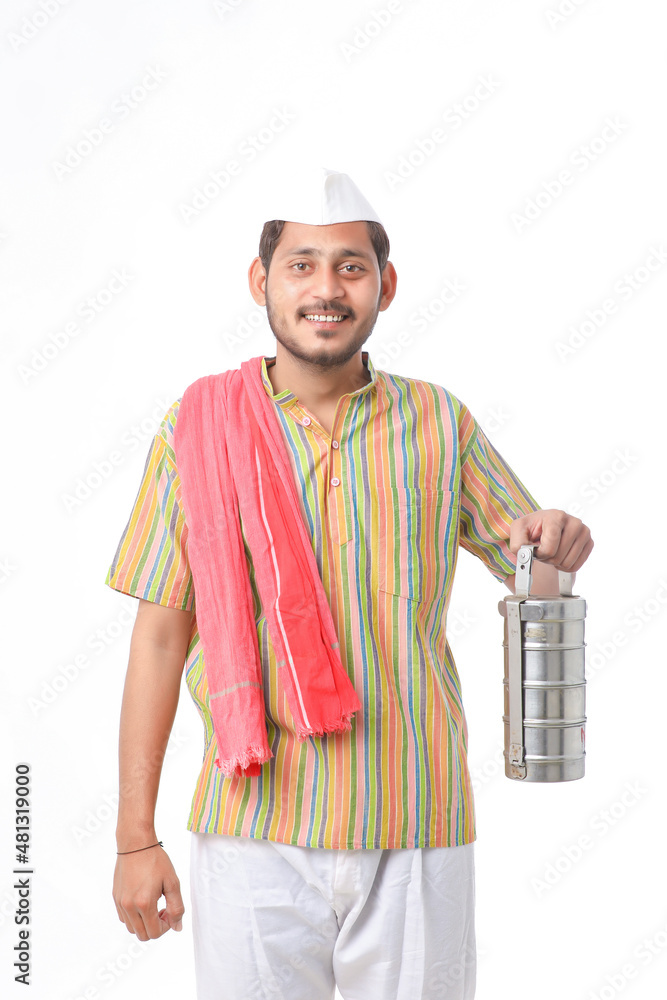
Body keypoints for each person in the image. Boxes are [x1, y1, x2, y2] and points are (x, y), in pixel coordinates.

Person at [106, 167, 593, 1000]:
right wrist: (132, 838)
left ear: (384, 286)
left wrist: (555, 542)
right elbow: (159, 638)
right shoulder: (198, 427)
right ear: (261, 281)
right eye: (300, 265)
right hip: (251, 827)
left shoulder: (439, 422)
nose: (325, 289)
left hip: (414, 824)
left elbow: (531, 570)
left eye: (350, 267)